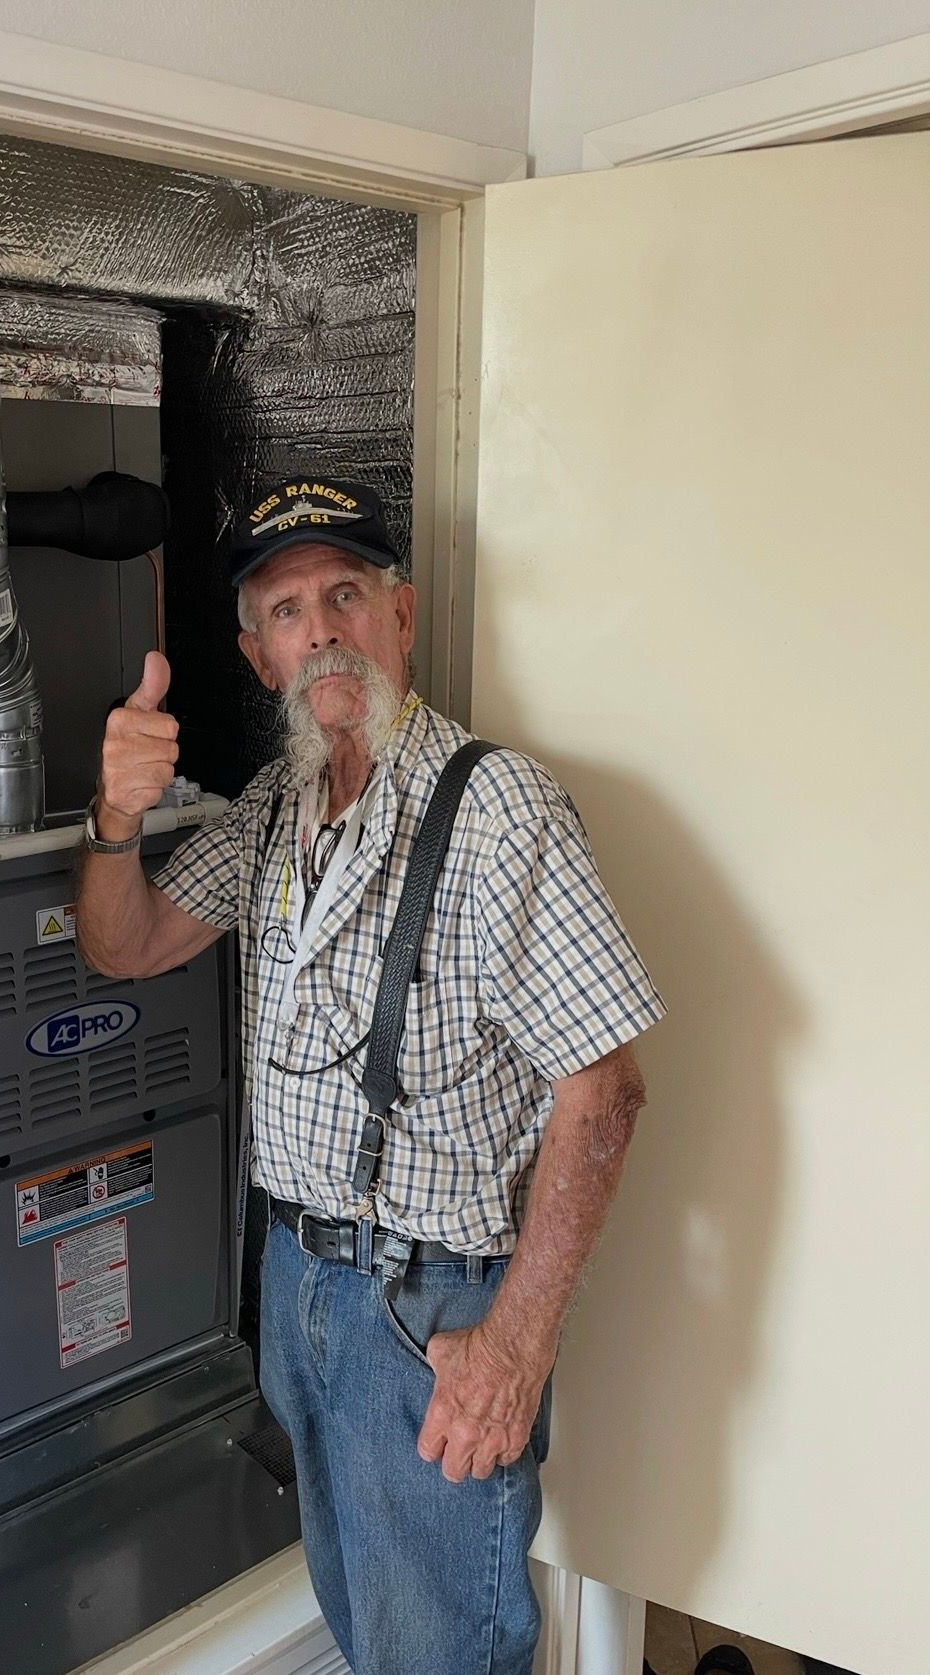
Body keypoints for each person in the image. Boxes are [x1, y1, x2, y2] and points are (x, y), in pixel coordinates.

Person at [76, 477, 667, 1675]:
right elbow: (124, 945)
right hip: (297, 1288)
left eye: (346, 594)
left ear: (401, 614)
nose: (323, 632)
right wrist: (114, 819)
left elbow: (604, 1092)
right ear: (258, 655)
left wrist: (513, 1349)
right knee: (369, 1631)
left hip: (430, 1314)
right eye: (288, 611)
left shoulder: (497, 807)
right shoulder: (274, 811)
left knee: (439, 1651)